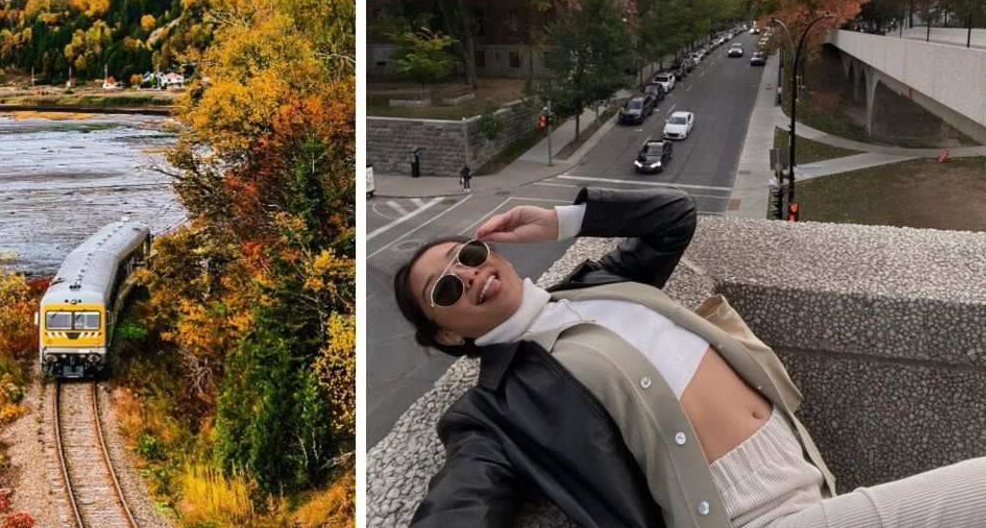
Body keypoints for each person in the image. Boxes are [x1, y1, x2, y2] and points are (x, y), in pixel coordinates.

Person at [392, 186, 985, 528]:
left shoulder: (593, 285)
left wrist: (562, 220)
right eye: (444, 290)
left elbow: (674, 219)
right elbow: (462, 507)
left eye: (467, 255)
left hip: (812, 486)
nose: (468, 276)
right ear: (447, 336)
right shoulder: (493, 409)